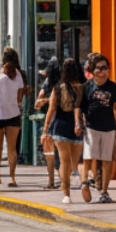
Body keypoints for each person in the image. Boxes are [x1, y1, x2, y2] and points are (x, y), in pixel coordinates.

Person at [76, 53, 116, 204]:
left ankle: (104, 191)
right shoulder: (86, 87)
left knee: (107, 159)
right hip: (91, 126)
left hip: (109, 128)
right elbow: (79, 108)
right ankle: (84, 183)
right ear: (92, 70)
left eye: (105, 68)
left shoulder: (113, 88)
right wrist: (78, 124)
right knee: (89, 157)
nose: (102, 71)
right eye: (99, 68)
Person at [42, 59, 83, 203]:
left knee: (64, 162)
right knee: (73, 163)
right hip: (77, 126)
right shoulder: (81, 88)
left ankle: (66, 193)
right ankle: (67, 188)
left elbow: (51, 109)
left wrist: (45, 129)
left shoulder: (58, 88)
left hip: (60, 125)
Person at [0, 48, 26, 187]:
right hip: (14, 114)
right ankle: (12, 177)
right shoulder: (18, 74)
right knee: (12, 148)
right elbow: (19, 95)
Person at [34, 60, 62, 189]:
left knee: (50, 153)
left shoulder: (54, 85)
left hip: (52, 121)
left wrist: (44, 101)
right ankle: (60, 180)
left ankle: (53, 181)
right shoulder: (62, 84)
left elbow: (39, 101)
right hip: (61, 120)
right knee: (57, 153)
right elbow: (39, 100)